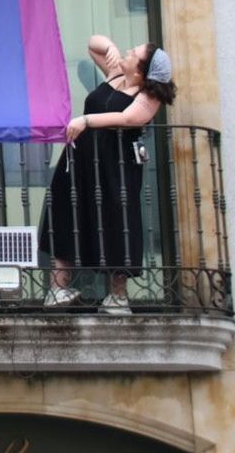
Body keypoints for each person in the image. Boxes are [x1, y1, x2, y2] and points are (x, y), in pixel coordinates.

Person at [42, 37, 177, 314]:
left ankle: (118, 296)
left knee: (116, 218)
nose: (128, 52)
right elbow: (93, 45)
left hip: (114, 165)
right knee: (68, 212)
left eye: (134, 53)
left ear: (141, 70)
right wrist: (110, 48)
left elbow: (128, 118)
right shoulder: (115, 73)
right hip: (81, 158)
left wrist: (86, 120)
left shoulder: (147, 95)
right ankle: (57, 288)